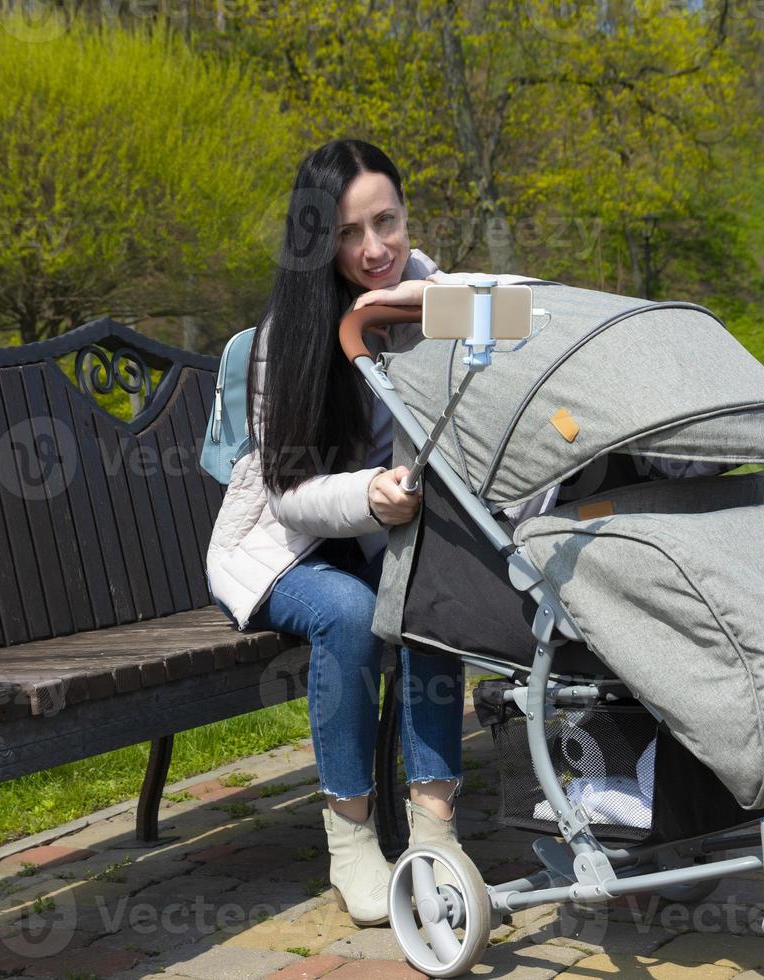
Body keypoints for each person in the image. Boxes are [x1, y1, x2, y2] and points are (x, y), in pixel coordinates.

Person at [205, 139, 471, 926]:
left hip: (381, 536)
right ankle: (351, 842)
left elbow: (522, 319)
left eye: (386, 222)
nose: (375, 248)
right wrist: (369, 496)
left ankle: (435, 829)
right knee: (353, 616)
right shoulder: (285, 333)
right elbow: (286, 495)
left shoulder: (430, 291)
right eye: (351, 234)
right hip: (284, 547)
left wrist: (470, 298)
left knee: (435, 595)